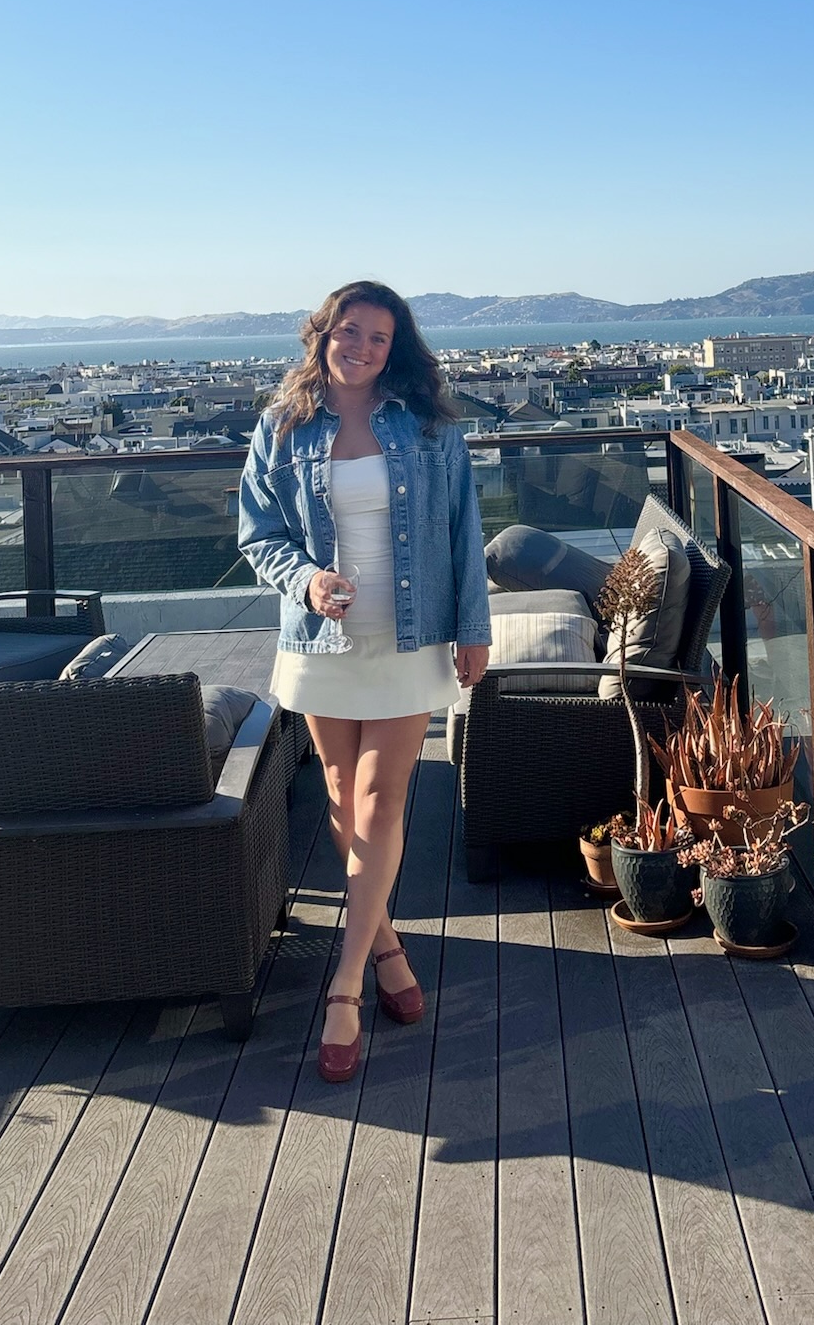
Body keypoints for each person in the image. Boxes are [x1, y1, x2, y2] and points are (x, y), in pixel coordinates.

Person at [238, 280, 491, 1081]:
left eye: (379, 337)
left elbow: (463, 529)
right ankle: (383, 947)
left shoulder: (427, 427)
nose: (362, 347)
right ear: (324, 336)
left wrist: (474, 630)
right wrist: (307, 580)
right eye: (351, 331)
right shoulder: (282, 427)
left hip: (410, 642)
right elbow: (258, 531)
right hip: (322, 640)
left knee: (381, 801)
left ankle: (342, 987)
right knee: (346, 803)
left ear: (395, 348)